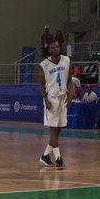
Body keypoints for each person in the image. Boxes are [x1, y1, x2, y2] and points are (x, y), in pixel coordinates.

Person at [37, 39, 70, 168]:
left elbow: (70, 79)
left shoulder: (66, 60)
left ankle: (45, 156)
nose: (57, 48)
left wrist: (71, 94)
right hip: (51, 98)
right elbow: (41, 83)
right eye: (54, 47)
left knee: (59, 129)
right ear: (49, 50)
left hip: (63, 97)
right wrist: (45, 99)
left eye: (58, 46)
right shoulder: (44, 65)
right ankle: (58, 158)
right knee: (53, 130)